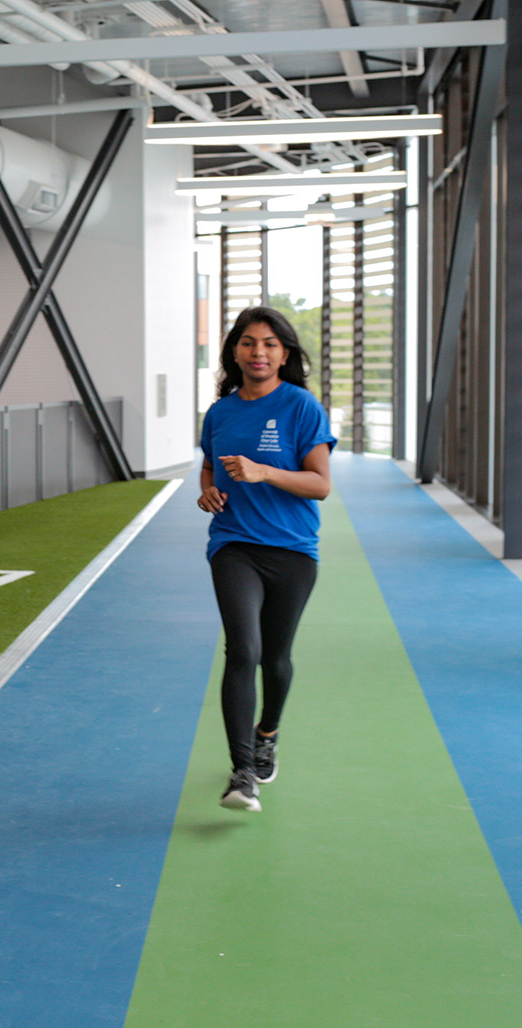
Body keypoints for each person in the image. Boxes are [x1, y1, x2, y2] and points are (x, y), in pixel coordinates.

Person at [196, 306, 335, 812]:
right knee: (243, 651)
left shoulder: (301, 407)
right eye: (249, 342)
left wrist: (264, 472)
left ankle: (267, 733)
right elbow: (209, 468)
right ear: (235, 350)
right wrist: (208, 493)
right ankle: (242, 773)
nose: (259, 352)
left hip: (294, 551)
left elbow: (320, 485)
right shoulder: (220, 412)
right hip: (233, 546)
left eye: (270, 344)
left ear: (285, 354)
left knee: (276, 659)